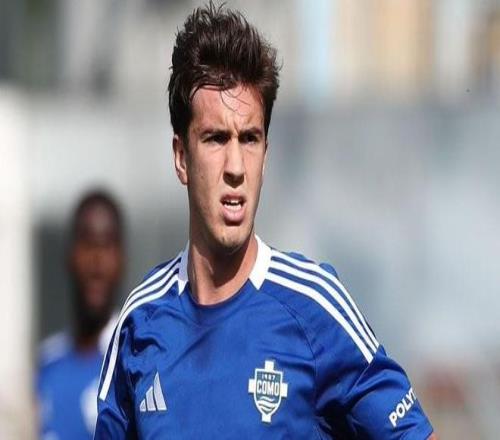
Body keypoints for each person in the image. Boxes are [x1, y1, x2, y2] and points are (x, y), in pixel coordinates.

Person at [95, 4, 436, 439]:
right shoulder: (140, 322)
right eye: (216, 138)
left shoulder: (315, 305)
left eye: (250, 139)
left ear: (266, 155)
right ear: (181, 157)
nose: (236, 166)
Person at [37, 191, 124, 439]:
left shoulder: (133, 357)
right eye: (87, 243)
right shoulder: (46, 365)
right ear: (70, 256)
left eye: (106, 245)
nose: (97, 262)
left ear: (121, 259)